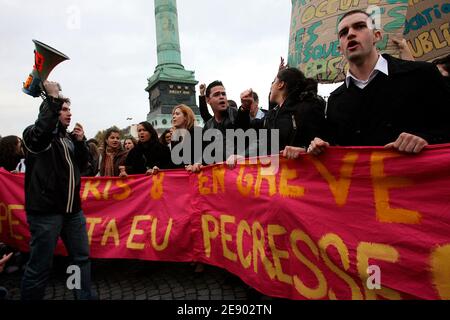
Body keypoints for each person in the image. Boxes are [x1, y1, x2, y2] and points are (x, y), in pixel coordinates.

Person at [305, 10, 450, 158]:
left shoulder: (421, 74)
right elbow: (334, 150)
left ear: (377, 36)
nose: (350, 34)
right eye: (343, 32)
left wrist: (426, 139)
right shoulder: (336, 101)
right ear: (340, 48)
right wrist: (308, 153)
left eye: (360, 26)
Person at [21, 80, 94, 300]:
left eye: (69, 109)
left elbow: (84, 167)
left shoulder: (69, 139)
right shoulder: (33, 134)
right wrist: (52, 99)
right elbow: (42, 132)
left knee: (80, 261)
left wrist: (80, 143)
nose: (69, 114)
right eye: (63, 110)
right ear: (50, 110)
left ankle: (81, 297)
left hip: (73, 213)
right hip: (46, 213)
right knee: (40, 266)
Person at [202, 80, 250, 164]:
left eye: (223, 94)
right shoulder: (208, 126)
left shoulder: (237, 115)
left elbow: (256, 142)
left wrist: (241, 156)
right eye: (216, 94)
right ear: (208, 100)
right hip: (220, 175)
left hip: (242, 172)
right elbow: (206, 157)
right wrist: (198, 164)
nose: (221, 97)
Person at [169, 104, 203, 172]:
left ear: (186, 117)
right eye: (173, 114)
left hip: (198, 176)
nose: (174, 116)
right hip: (183, 178)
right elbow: (174, 163)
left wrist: (197, 164)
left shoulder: (197, 132)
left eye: (177, 114)